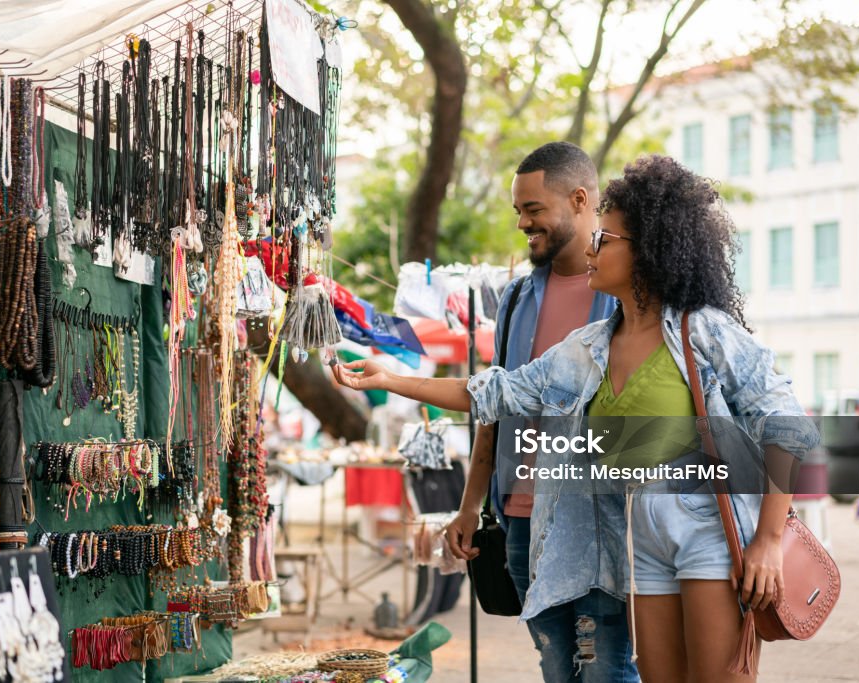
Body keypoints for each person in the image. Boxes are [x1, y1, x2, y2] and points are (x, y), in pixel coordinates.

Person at [332, 155, 818, 681]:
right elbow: (498, 392)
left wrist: (767, 539)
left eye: (605, 240)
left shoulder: (702, 332)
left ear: (647, 252)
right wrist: (390, 377)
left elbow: (786, 423)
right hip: (639, 537)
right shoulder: (588, 348)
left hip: (708, 529)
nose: (591, 249)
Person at [441, 141, 628, 682]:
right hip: (521, 518)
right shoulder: (517, 297)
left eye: (533, 210)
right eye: (518, 211)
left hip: (595, 519)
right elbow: (493, 405)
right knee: (554, 665)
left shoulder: (621, 292)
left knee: (607, 667)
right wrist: (470, 506)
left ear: (578, 199)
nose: (523, 223)